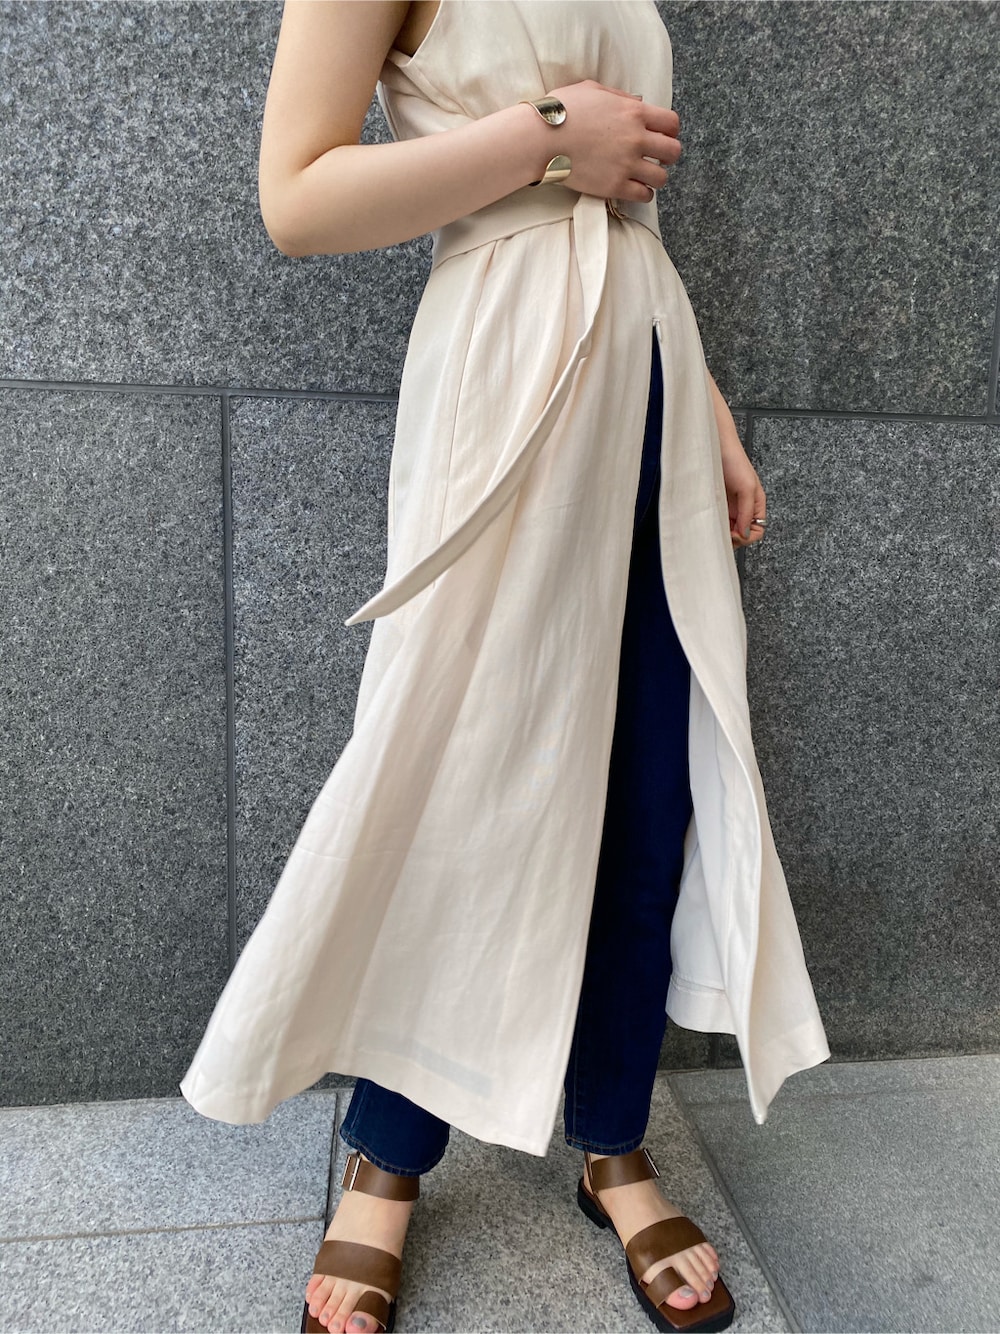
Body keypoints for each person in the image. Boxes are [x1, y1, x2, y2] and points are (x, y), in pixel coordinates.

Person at [179, 3, 831, 1332]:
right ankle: (387, 1150)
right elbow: (297, 199)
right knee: (461, 773)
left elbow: (627, 219)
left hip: (648, 379)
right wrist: (544, 134)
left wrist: (706, 413)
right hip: (509, 376)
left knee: (646, 783)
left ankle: (611, 1136)